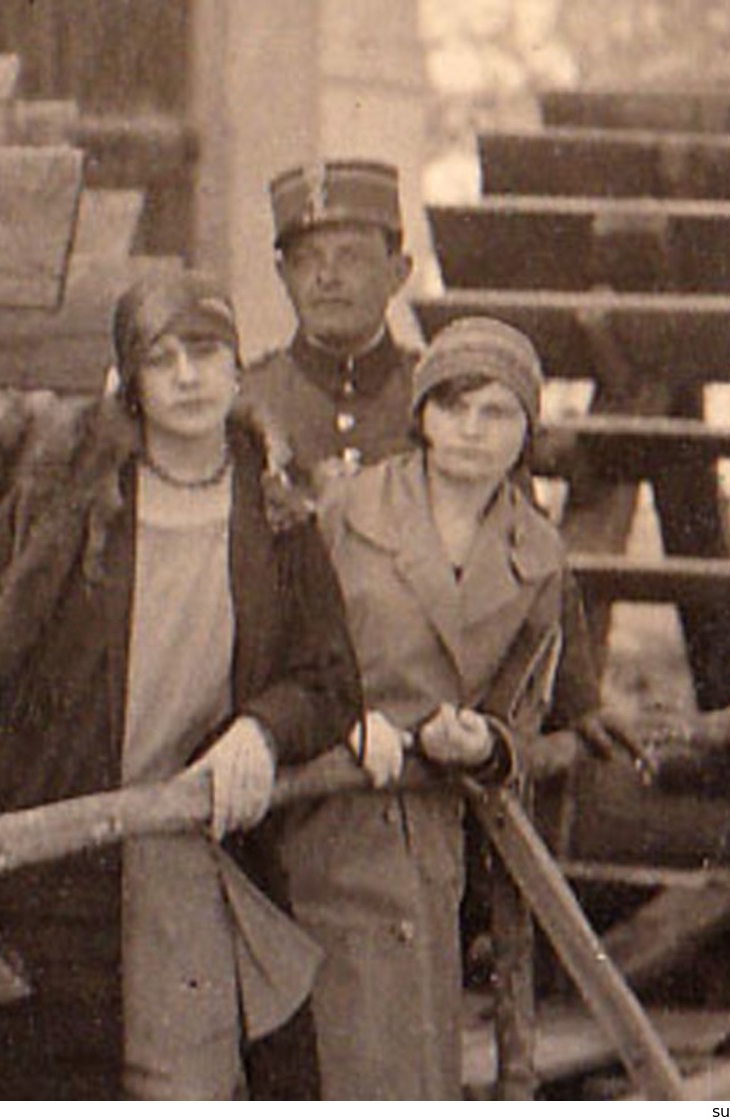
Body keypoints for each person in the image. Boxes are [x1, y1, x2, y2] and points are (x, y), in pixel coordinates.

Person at [0, 272, 361, 1099]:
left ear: (238, 370)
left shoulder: (275, 515)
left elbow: (330, 679)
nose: (189, 378)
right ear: (129, 384)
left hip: (186, 857)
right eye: (162, 361)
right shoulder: (66, 502)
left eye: (205, 353)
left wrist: (261, 731)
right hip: (51, 853)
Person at [281, 317, 607, 1099]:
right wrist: (337, 719)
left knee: (414, 1062)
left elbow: (520, 723)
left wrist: (481, 745)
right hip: (320, 803)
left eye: (496, 413)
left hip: (427, 829)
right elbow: (278, 649)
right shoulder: (344, 511)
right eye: (454, 405)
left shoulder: (537, 554)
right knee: (330, 1049)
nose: (471, 430)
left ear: (526, 429)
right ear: (422, 414)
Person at [242, 159, 419, 499]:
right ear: (283, 276)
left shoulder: (433, 398)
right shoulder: (249, 399)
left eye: (351, 258)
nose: (327, 277)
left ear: (398, 273)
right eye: (305, 260)